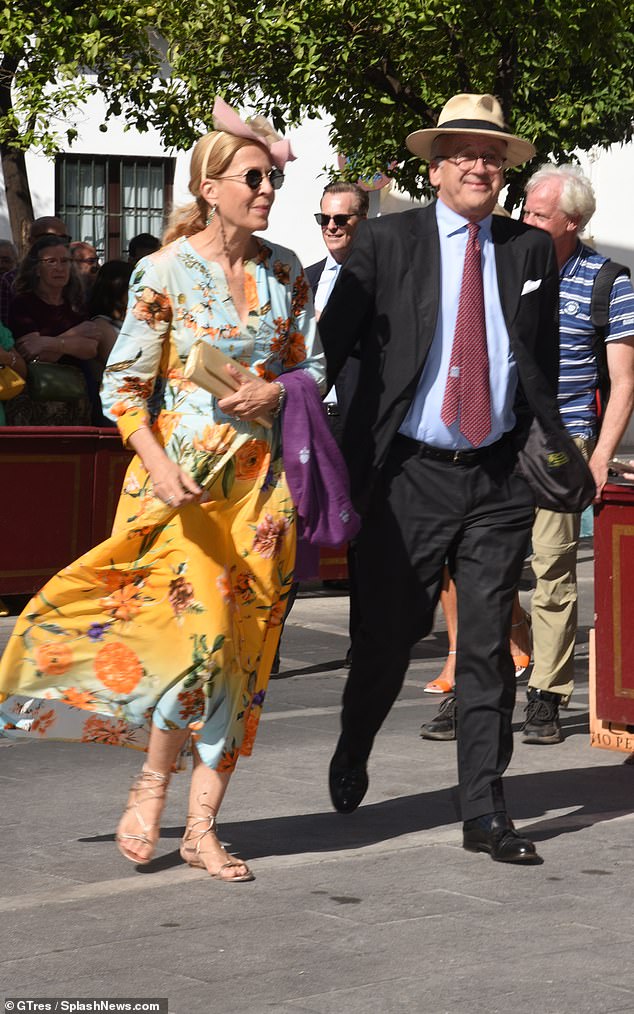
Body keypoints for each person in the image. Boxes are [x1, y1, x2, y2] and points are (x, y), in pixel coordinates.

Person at [0, 97, 325, 882]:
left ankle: (201, 826)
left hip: (260, 496)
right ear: (209, 186)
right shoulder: (163, 270)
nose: (266, 190)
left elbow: (306, 368)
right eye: (253, 177)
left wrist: (278, 393)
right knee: (199, 641)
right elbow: (122, 388)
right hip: (180, 490)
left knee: (242, 656)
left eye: (271, 180)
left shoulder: (285, 270)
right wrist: (157, 459)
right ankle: (151, 787)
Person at [320, 93, 564, 865]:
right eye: (462, 152)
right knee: (386, 645)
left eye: (491, 155)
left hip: (496, 479)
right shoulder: (386, 242)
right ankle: (355, 740)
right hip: (405, 479)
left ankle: (485, 813)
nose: (479, 165)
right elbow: (330, 354)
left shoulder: (528, 251)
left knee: (488, 650)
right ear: (436, 168)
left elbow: (540, 364)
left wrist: (540, 446)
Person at [519, 164, 634, 743]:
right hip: (500, 435)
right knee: (475, 563)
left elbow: (624, 381)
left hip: (564, 440)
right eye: (525, 208)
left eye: (539, 214)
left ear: (574, 221)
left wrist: (599, 458)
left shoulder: (609, 282)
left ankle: (546, 691)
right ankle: (479, 685)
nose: (525, 220)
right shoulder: (509, 267)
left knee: (552, 566)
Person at [272, 182, 368, 674]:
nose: (331, 227)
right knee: (286, 529)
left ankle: (364, 642)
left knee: (359, 536)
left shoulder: (380, 281)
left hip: (355, 421)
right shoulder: (302, 278)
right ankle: (267, 642)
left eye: (342, 219)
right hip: (302, 418)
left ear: (362, 222)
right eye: (323, 219)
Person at [7, 234, 106, 425]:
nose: (59, 267)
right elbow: (33, 354)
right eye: (51, 261)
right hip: (37, 398)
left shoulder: (75, 303)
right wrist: (75, 335)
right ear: (36, 268)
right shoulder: (23, 303)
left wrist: (47, 342)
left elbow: (90, 349)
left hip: (76, 396)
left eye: (65, 261)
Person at [0, 216, 71, 326]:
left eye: (63, 239)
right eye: (49, 237)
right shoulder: (10, 280)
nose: (56, 243)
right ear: (30, 241)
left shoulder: (75, 281)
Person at [87, 259, 134, 366]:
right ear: (117, 288)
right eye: (132, 287)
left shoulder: (128, 319)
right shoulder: (100, 325)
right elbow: (119, 363)